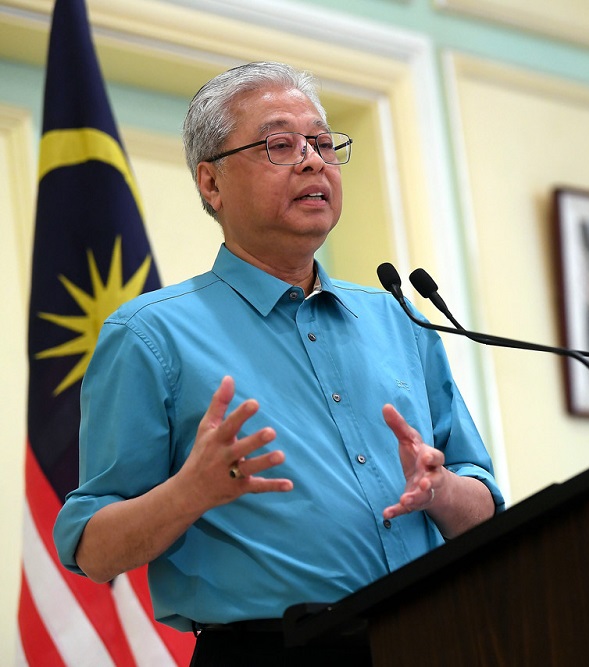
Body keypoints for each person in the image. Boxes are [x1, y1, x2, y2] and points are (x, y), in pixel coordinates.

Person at [53, 61, 504, 664]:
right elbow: (91, 547)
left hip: (428, 637)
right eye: (279, 145)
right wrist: (191, 492)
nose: (313, 161)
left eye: (322, 143)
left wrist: (441, 488)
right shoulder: (150, 335)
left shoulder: (399, 319)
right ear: (210, 184)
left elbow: (484, 511)